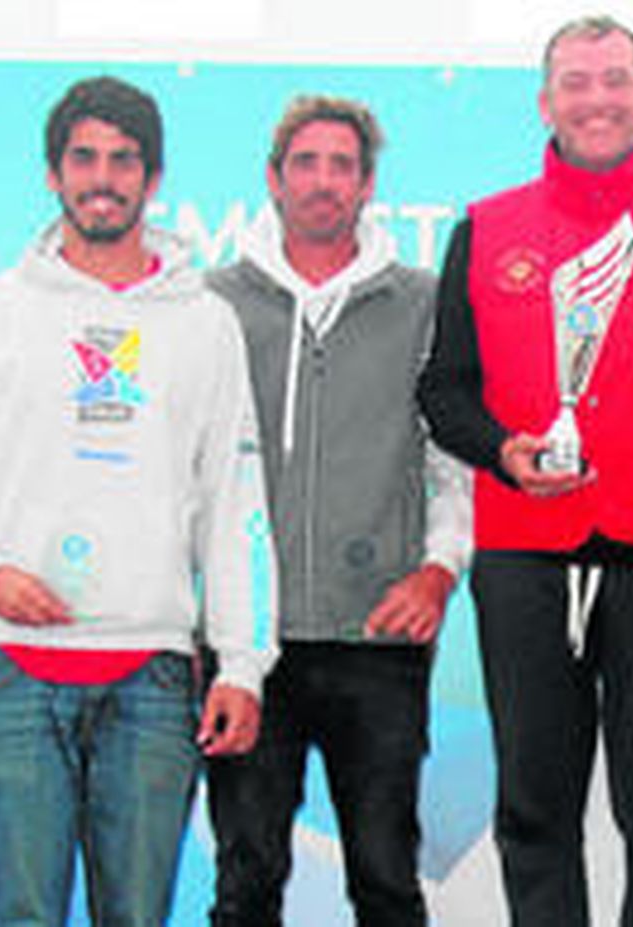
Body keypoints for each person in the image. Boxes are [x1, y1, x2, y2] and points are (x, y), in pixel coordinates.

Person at [415, 15, 633, 927]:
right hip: (526, 555)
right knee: (533, 807)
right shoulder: (486, 228)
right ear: (546, 101)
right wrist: (502, 451)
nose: (597, 97)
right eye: (577, 80)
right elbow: (444, 391)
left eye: (616, 79)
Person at [0, 75, 276, 926]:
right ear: (51, 174)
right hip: (14, 668)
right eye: (84, 158)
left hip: (153, 676)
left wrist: (243, 664)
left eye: (123, 160)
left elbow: (235, 499)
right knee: (24, 917)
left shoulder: (204, 323)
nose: (102, 177)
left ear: (152, 179)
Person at [204, 95, 472, 927]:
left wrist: (437, 570)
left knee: (387, 878)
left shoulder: (424, 303)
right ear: (274, 180)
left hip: (379, 643)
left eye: (343, 166)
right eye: (307, 163)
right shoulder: (210, 304)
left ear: (367, 187)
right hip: (248, 645)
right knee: (246, 880)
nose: (325, 182)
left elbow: (451, 461)